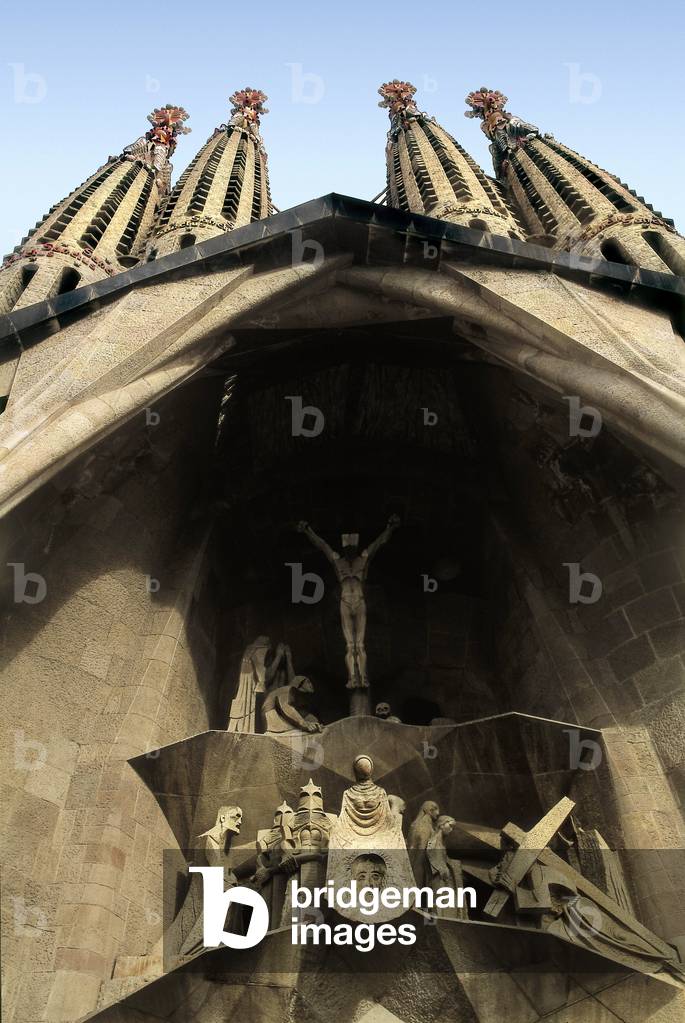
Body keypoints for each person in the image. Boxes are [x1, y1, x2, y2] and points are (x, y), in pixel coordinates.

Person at [297, 516, 400, 688]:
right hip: (345, 602)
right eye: (348, 548)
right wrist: (308, 530)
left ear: (355, 547)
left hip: (359, 601)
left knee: (360, 645)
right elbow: (322, 545)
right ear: (345, 547)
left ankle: (363, 678)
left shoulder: (363, 558)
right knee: (350, 645)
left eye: (352, 548)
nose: (350, 550)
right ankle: (352, 678)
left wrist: (390, 527)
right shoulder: (338, 560)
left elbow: (379, 543)